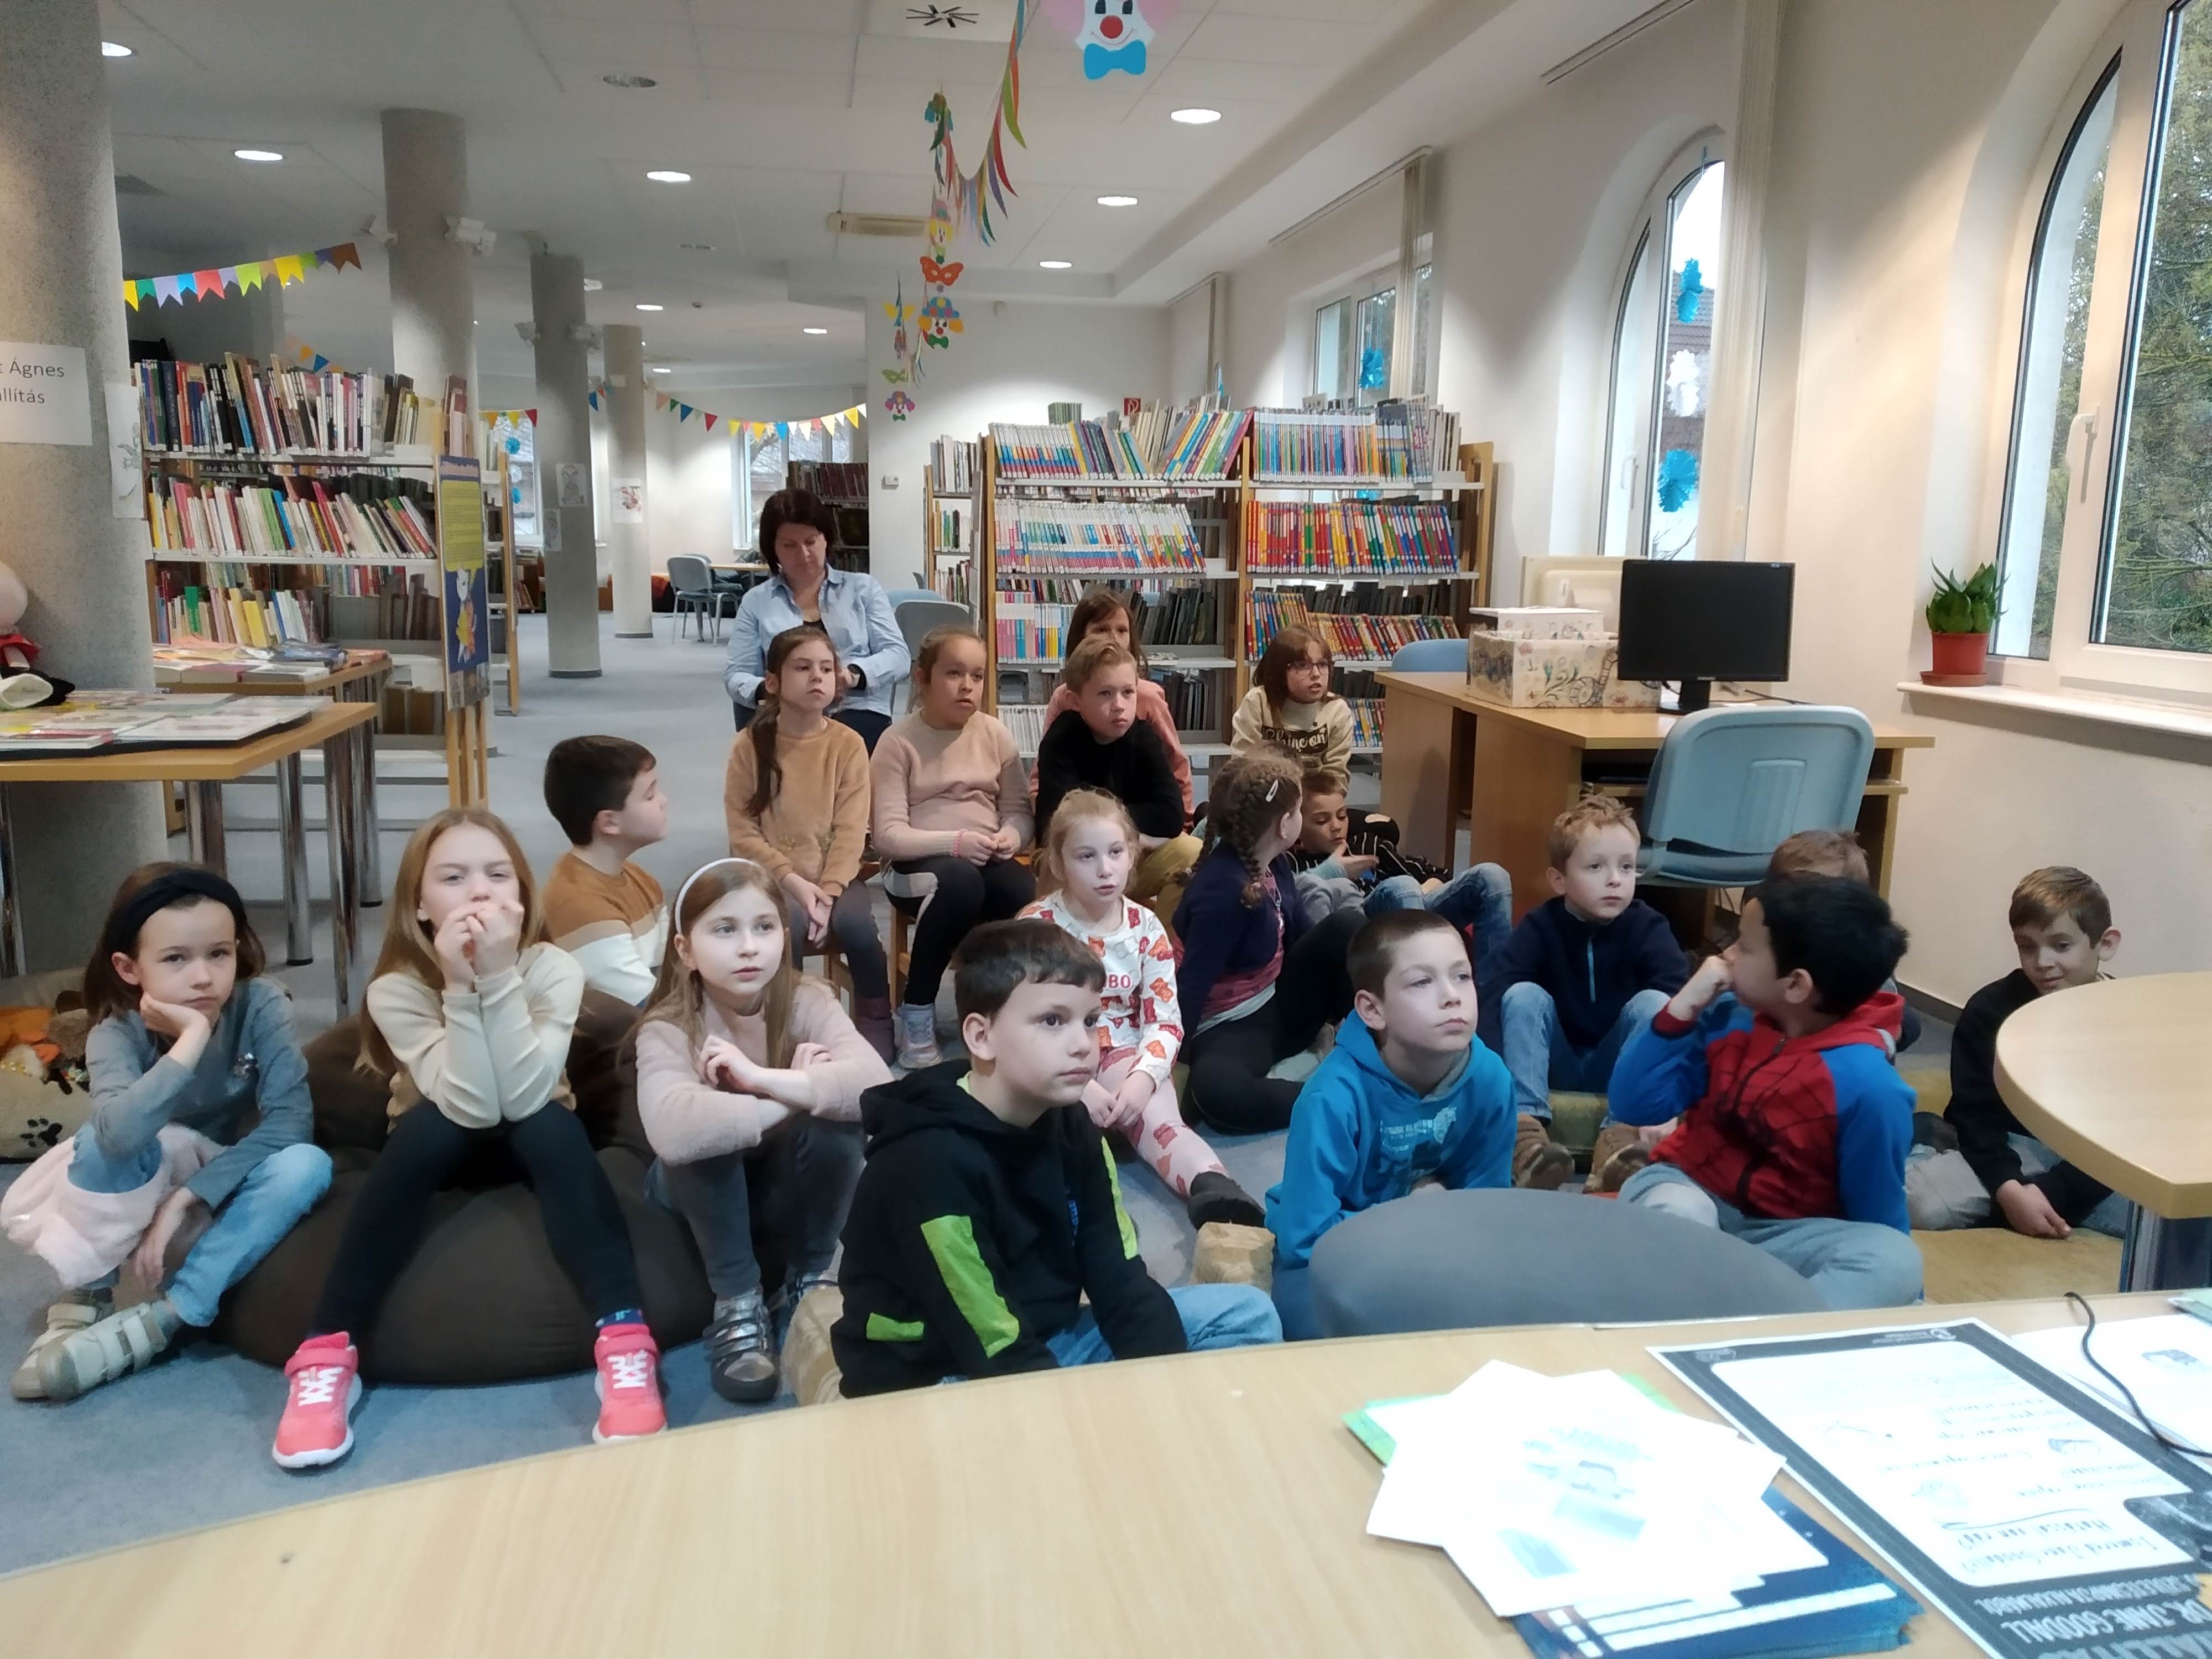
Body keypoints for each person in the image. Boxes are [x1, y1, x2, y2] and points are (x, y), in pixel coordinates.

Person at [269, 810, 664, 1469]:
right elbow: (471, 1106)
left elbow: (525, 1097)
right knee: (434, 1125)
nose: (479, 891)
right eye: (453, 878)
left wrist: (500, 975)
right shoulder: (397, 990)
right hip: (441, 1137)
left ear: (523, 895)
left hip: (536, 1131)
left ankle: (624, 1337)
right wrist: (461, 984)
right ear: (420, 907)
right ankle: (326, 1351)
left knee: (547, 1125)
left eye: (497, 875)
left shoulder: (552, 971)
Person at [829, 919, 1281, 1394]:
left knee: (1247, 1315)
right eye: (1052, 1021)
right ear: (981, 1037)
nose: (1083, 1045)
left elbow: (1119, 1275)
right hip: (939, 1371)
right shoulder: (927, 1164)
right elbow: (992, 1340)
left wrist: (1159, 1379)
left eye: (1090, 1021)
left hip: (1044, 1333)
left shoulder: (1073, 1122)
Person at [3, 866, 329, 1402]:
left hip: (219, 1185)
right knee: (101, 1142)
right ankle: (86, 1297)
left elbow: (291, 1123)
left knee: (309, 1165)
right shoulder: (114, 1032)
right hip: (139, 1185)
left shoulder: (262, 1004)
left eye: (218, 954)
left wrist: (189, 1196)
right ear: (129, 968)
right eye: (176, 959)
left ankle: (170, 1317)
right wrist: (191, 1040)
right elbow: (117, 1139)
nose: (203, 977)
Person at [1606, 875, 1922, 1311]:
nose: (1726, 955)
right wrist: (1683, 1006)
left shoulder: (1871, 1088)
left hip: (1788, 1236)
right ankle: (1735, 1313)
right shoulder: (1726, 1016)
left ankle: (1748, 1324)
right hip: (1690, 1190)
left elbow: (1877, 1213)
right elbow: (1635, 1104)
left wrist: (1901, 1292)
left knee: (1895, 1259)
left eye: (1744, 945)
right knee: (1682, 1212)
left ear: (1795, 985)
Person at [633, 858, 883, 1402]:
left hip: (777, 1183)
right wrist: (788, 1093)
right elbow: (674, 1133)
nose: (749, 947)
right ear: (685, 951)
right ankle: (738, 1300)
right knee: (706, 1136)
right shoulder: (668, 1026)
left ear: (783, 938)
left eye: (764, 927)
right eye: (725, 930)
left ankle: (813, 1280)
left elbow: (875, 1088)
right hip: (694, 1192)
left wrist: (762, 1079)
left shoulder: (807, 999)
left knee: (838, 1123)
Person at [1589, 827, 1919, 1192]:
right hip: (1707, 1162)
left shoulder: (1867, 1068)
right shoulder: (1732, 1007)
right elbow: (1642, 1099)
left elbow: (1873, 1198)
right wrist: (1682, 1008)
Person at [1022, 788, 1264, 1231]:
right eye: (1086, 856)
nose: (1105, 869)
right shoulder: (1038, 928)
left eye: (1116, 852)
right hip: (1052, 1057)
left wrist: (1142, 1079)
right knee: (1041, 1133)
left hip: (1124, 1053)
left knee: (1159, 1118)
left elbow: (1165, 1020)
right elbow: (1025, 1023)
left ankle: (1212, 1185)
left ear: (1133, 854)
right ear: (1058, 863)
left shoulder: (1145, 926)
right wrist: (1079, 1085)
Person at [1267, 911, 1515, 1340]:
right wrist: (1412, 1217)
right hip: (1338, 1251)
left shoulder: (1491, 1079)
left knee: (1511, 1312)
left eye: (1462, 977)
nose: (1452, 997)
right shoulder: (1332, 1098)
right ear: (1372, 1009)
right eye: (1422, 982)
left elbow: (1487, 1208)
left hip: (1435, 1237)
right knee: (1323, 1332)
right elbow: (1304, 1239)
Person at [1478, 796, 1689, 1190]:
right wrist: (1486, 1072)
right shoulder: (1540, 926)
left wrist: (1670, 1092)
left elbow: (1682, 1001)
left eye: (1627, 867)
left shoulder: (1648, 926)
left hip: (1619, 1066)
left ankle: (1619, 1141)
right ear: (1559, 880)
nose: (1615, 880)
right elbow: (1495, 993)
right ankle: (1525, 1136)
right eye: (1596, 867)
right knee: (1523, 996)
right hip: (1555, 1060)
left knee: (1656, 1004)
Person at [1906, 866, 2130, 1239]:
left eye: (2061, 946)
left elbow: (2126, 1133)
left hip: (2099, 1162)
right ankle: (1931, 1141)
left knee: (2182, 1218)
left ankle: (2038, 1206)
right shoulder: (1990, 1009)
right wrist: (2009, 1191)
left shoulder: (2131, 1020)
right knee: (1921, 1203)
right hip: (2014, 1146)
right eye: (2028, 947)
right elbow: (1977, 1116)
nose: (2042, 963)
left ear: (2105, 944)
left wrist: (2054, 1193)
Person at [724, 623, 891, 1061]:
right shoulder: (750, 746)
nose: (817, 677)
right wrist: (793, 882)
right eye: (802, 668)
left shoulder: (848, 744)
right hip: (770, 879)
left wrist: (830, 891)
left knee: (860, 930)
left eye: (826, 668)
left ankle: (876, 1017)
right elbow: (742, 831)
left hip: (835, 876)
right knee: (787, 929)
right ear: (773, 682)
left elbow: (852, 828)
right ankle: (785, 1024)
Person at [1172, 750, 1363, 1134]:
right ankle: (1338, 1097)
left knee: (1347, 926)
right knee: (1218, 1095)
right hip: (1228, 1024)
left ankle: (1367, 1040)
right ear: (1284, 824)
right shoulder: (1223, 892)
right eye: (1299, 810)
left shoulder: (1274, 862)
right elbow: (1191, 985)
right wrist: (1175, 1058)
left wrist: (1334, 990)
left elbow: (1305, 937)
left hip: (1275, 999)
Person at [872, 624, 1035, 1068]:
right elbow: (887, 835)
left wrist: (1011, 836)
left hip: (982, 855)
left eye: (977, 676)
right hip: (912, 866)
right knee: (959, 884)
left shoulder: (994, 734)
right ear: (922, 679)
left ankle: (998, 1010)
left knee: (1020, 888)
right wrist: (955, 843)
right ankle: (916, 1012)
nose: (967, 686)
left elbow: (1019, 812)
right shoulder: (898, 742)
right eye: (953, 673)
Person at [724, 488, 908, 752]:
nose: (803, 554)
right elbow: (737, 674)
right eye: (789, 546)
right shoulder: (757, 601)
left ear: (826, 539)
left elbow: (898, 655)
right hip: (785, 712)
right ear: (773, 550)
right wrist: (771, 689)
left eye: (811, 541)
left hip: (856, 707)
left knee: (846, 750)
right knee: (791, 754)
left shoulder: (863, 589)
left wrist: (853, 675)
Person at [1033, 635, 1202, 907]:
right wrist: (1130, 829)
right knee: (1056, 859)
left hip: (1133, 854)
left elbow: (1171, 816)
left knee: (1191, 851)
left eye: (1128, 693)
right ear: (1075, 701)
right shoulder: (1060, 741)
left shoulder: (1145, 738)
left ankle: (1161, 933)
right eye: (1105, 694)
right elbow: (1056, 823)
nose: (1119, 705)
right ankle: (1069, 931)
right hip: (1075, 857)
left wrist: (1113, 831)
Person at [1296, 766, 1512, 964]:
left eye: (1342, 816)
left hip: (1413, 907)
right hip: (1366, 926)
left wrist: (1417, 894)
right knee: (1400, 885)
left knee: (1491, 875)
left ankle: (1494, 989)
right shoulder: (1294, 863)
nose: (1336, 826)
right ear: (1297, 825)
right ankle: (1427, 977)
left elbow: (1436, 873)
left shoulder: (1367, 843)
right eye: (1322, 821)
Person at [1036, 587, 1194, 819]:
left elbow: (1176, 765)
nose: (1113, 639)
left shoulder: (1147, 699)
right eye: (1101, 630)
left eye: (1122, 631)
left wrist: (1185, 822)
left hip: (1140, 821)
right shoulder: (1063, 701)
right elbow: (1042, 776)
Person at [540, 735, 670, 1005]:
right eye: (650, 795)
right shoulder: (579, 904)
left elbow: (672, 963)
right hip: (623, 1027)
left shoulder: (638, 877)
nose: (663, 801)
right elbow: (643, 1005)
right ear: (609, 822)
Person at [1233, 625, 1353, 778]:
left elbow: (1336, 778)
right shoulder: (1258, 702)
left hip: (1316, 790)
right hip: (1263, 789)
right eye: (1303, 666)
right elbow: (1241, 769)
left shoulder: (1337, 710)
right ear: (1280, 670)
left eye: (1323, 664)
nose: (1316, 674)